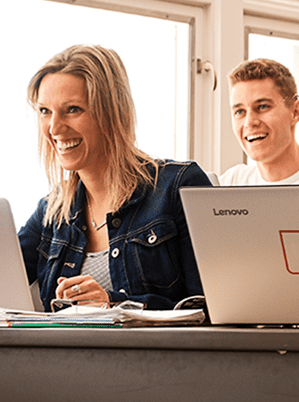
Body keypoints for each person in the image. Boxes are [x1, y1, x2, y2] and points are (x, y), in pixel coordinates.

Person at [18, 45, 211, 310]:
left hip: (154, 353)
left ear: (112, 112)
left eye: (73, 109)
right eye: (44, 111)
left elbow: (211, 307)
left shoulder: (178, 187)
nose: (54, 128)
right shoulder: (51, 211)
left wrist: (115, 303)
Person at [219, 58, 299, 185]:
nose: (249, 122)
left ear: (295, 112)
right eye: (239, 111)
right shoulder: (231, 183)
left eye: (262, 106)